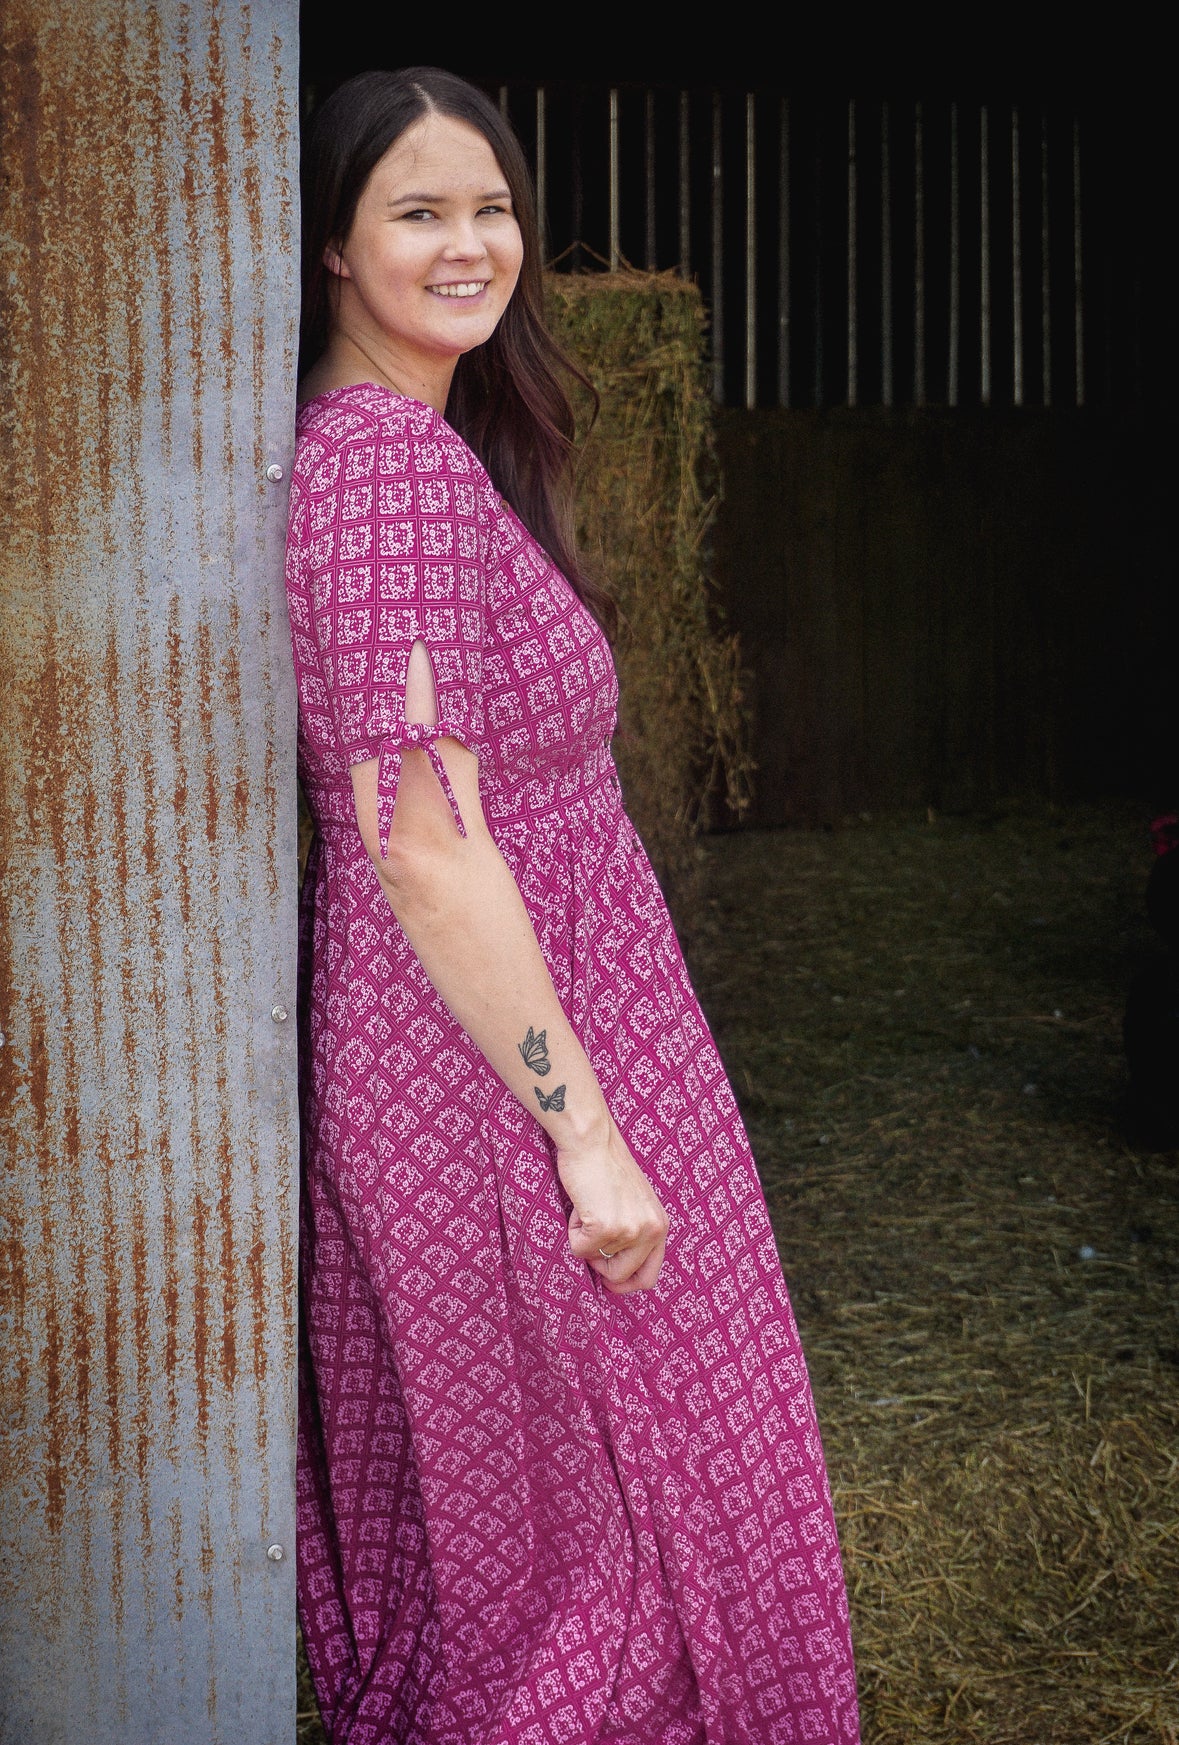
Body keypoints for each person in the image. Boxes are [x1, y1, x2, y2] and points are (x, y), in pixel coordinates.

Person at [287, 66, 860, 1745]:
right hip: (487, 1065)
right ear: (332, 243)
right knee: (604, 1542)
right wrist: (585, 1130)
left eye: (493, 207)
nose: (473, 245)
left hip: (523, 1030)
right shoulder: (381, 469)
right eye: (418, 210)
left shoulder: (420, 450)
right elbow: (425, 841)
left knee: (611, 1503)